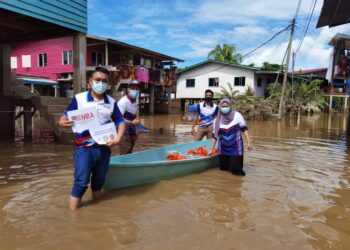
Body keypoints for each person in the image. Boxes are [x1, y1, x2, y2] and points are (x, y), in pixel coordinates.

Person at [58, 66, 125, 210]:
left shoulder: (111, 102)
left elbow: (120, 122)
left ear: (108, 84)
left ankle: (97, 211)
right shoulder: (79, 99)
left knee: (98, 182)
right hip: (84, 149)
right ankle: (73, 217)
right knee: (81, 183)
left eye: (104, 81)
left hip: (105, 147)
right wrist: (62, 121)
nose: (101, 83)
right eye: (98, 80)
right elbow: (64, 116)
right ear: (90, 81)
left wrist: (118, 139)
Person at [209, 98, 252, 176]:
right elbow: (214, 136)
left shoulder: (237, 115)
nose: (225, 108)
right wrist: (211, 149)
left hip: (236, 148)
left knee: (237, 172)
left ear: (230, 106)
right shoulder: (217, 120)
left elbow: (244, 129)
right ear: (220, 107)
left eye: (226, 106)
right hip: (223, 149)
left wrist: (248, 142)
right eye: (223, 106)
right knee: (223, 171)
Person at [117, 80, 141, 154]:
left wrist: (135, 130)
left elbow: (133, 116)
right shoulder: (123, 102)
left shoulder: (134, 101)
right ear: (128, 89)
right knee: (125, 154)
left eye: (137, 89)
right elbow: (118, 119)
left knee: (129, 153)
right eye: (132, 88)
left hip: (131, 131)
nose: (135, 90)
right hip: (124, 133)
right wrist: (131, 122)